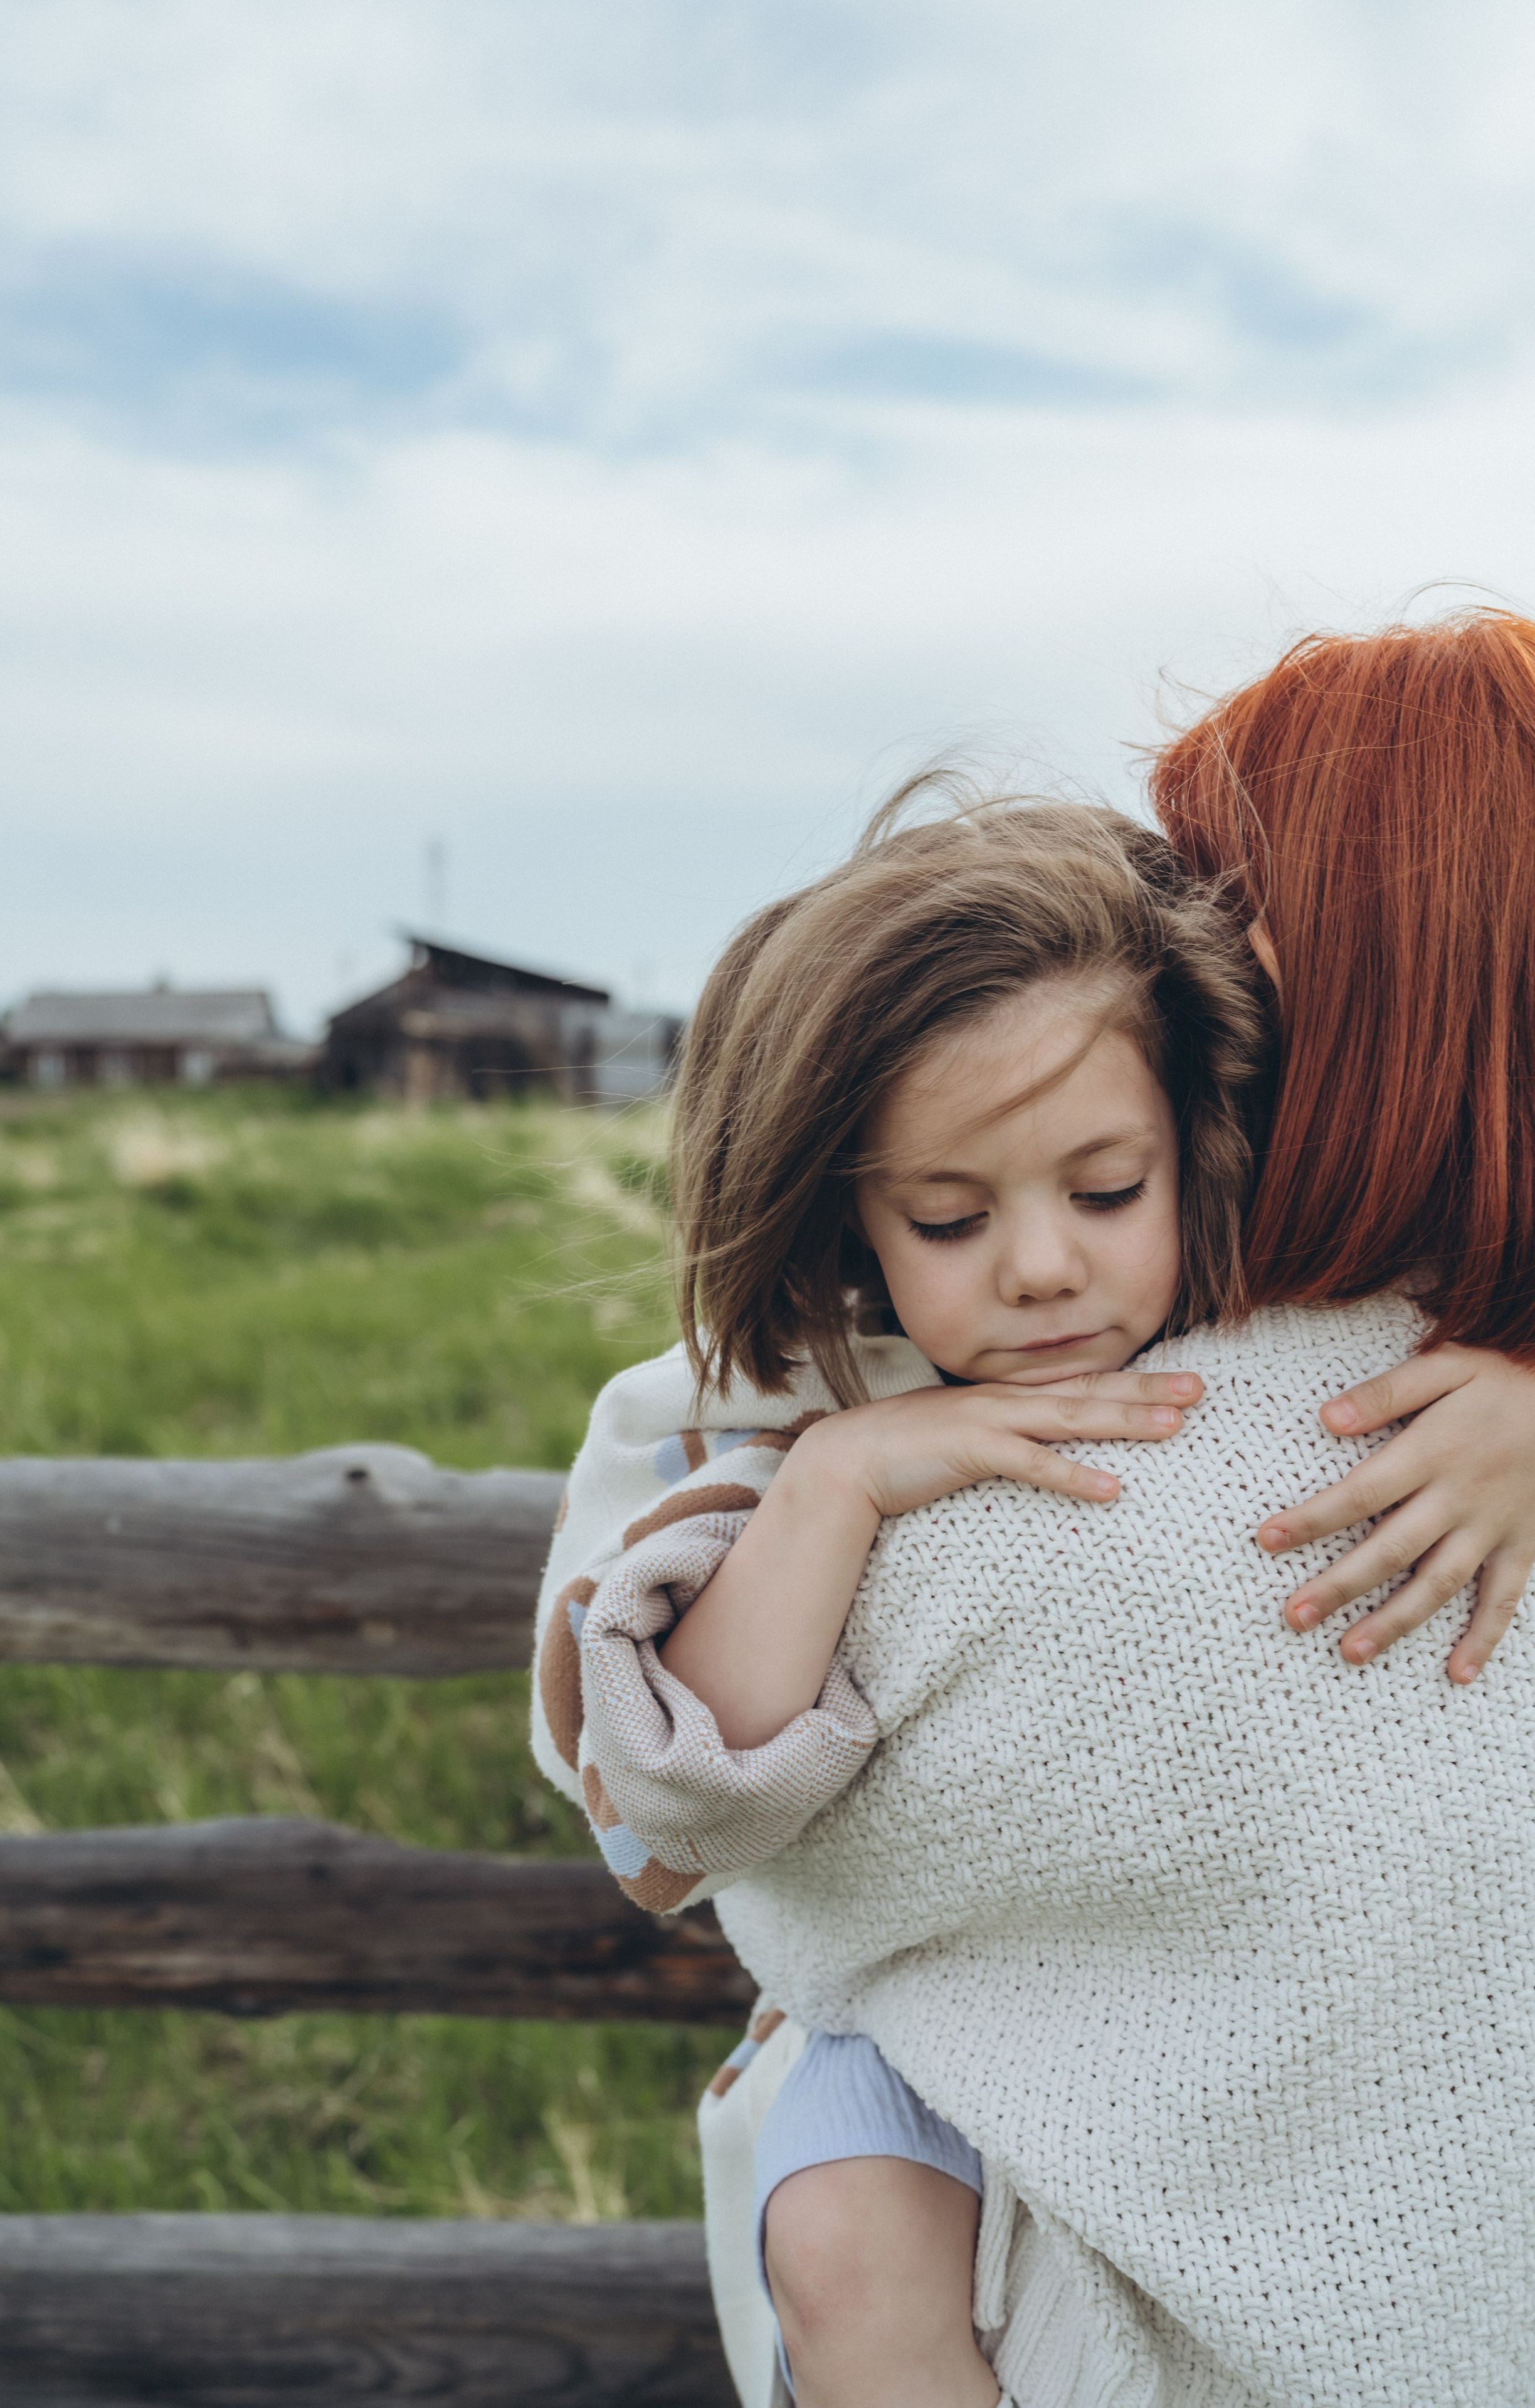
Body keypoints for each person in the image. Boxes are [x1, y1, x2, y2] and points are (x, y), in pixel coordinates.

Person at [532, 612, 1535, 2406]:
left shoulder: (1335, 1365)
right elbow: (656, 1801)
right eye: (952, 1219)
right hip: (953, 2142)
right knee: (850, 2235)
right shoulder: (812, 1400)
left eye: (1103, 1184)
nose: (1044, 1271)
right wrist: (832, 1479)